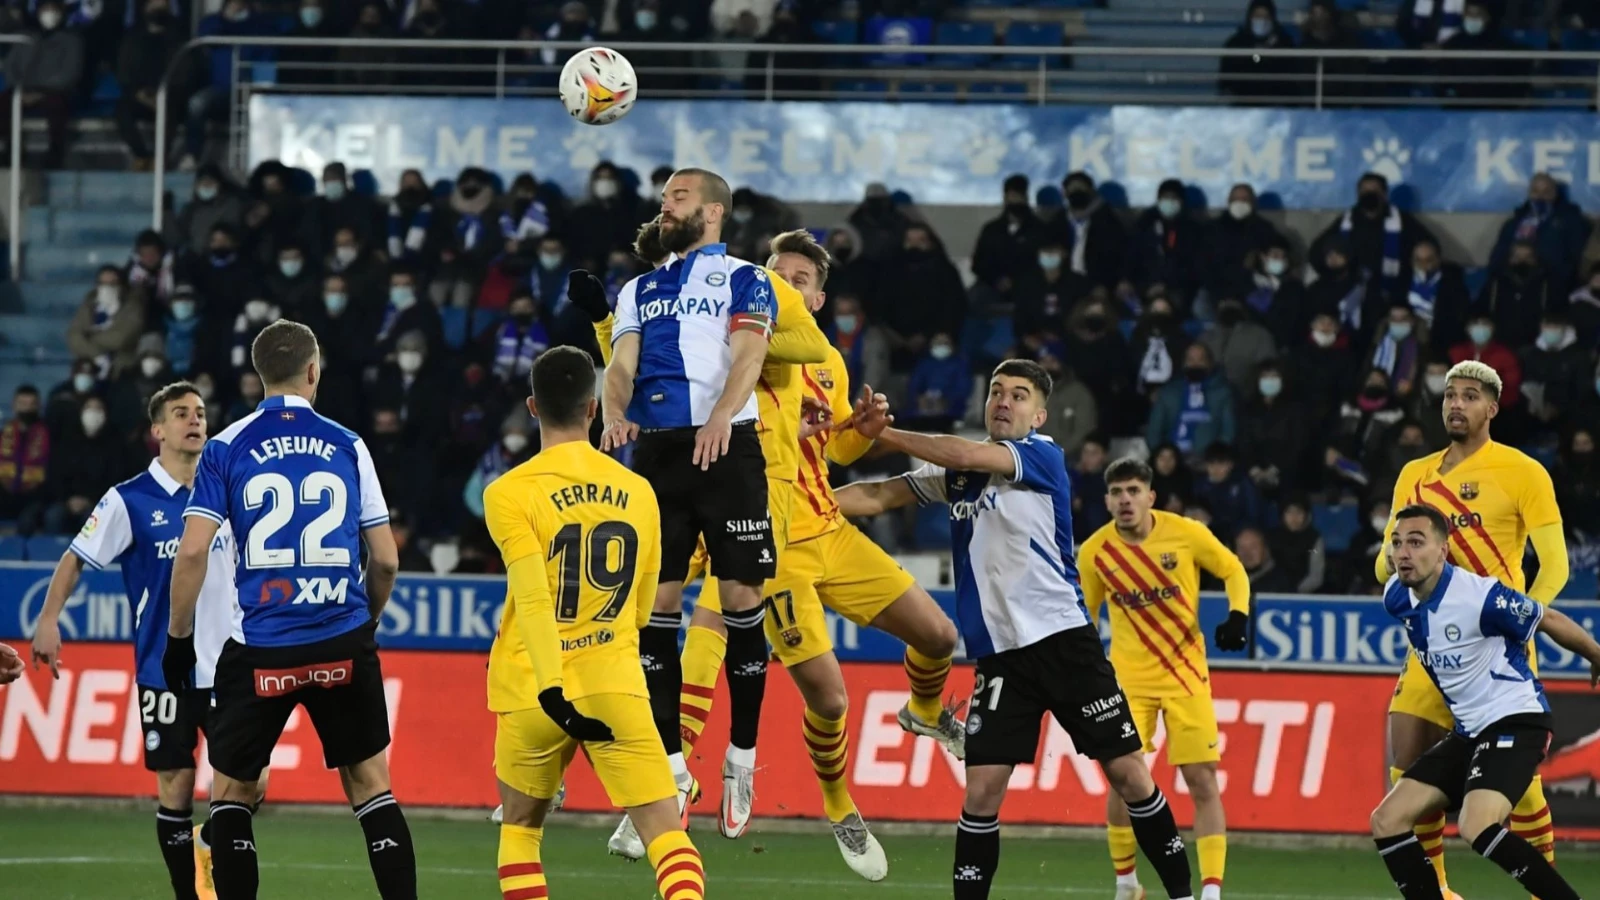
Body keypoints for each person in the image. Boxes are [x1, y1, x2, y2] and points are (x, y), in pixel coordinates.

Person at [833, 360, 1197, 900]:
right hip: (1002, 661)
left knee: (1130, 777)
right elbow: (879, 496)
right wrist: (802, 512)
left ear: (1039, 414)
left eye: (1019, 395)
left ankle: (1183, 897)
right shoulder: (958, 474)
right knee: (980, 793)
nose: (1004, 401)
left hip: (1064, 644)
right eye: (997, 392)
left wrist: (882, 433)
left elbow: (959, 452)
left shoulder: (1040, 455)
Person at [162, 321, 413, 900]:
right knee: (372, 788)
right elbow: (385, 562)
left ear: (259, 376)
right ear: (313, 371)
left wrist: (179, 641)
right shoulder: (349, 443)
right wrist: (363, 624)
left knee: (230, 795)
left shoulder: (225, 448)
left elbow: (194, 549)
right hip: (342, 639)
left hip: (263, 648)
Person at [599, 168, 793, 842]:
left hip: (727, 447)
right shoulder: (638, 289)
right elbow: (620, 366)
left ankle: (742, 754)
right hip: (657, 454)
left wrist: (720, 416)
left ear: (711, 210)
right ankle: (675, 766)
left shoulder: (745, 278)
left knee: (741, 598)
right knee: (657, 606)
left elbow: (748, 355)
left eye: (677, 197)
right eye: (664, 198)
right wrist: (613, 413)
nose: (665, 205)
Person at [482, 346, 706, 900]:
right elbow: (644, 604)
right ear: (592, 410)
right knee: (669, 840)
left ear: (533, 407)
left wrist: (553, 688)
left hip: (533, 690)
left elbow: (533, 597)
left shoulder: (507, 492)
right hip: (615, 680)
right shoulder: (639, 492)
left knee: (520, 833)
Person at [30, 382, 248, 900]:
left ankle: (208, 845)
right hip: (164, 667)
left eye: (200, 412)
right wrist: (48, 619)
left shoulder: (227, 490)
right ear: (157, 430)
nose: (195, 421)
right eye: (180, 414)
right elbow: (76, 556)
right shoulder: (130, 499)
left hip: (229, 664)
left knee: (250, 784)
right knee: (175, 787)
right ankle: (189, 893)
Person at [1376, 361, 1569, 898]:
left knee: (1522, 792)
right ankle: (1437, 890)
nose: (1456, 404)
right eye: (1449, 396)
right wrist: (1390, 564)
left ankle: (1542, 889)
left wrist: (1527, 620)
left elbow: (1554, 564)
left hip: (1499, 644)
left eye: (1469, 396)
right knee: (1406, 758)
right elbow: (1383, 560)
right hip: (1435, 645)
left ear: (1492, 408)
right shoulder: (1414, 474)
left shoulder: (1522, 471)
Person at [1371, 504, 1599, 900]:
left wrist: (1597, 655)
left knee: (1476, 825)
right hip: (1470, 731)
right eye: (1397, 543)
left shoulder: (1479, 597)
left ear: (1443, 551)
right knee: (1387, 819)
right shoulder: (1397, 596)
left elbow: (1548, 619)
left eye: (1416, 542)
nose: (1403, 552)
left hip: (1518, 720)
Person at [1080, 457, 1251, 900]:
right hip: (1128, 682)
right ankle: (1126, 885)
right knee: (1123, 780)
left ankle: (1211, 892)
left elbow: (1233, 569)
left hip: (1186, 676)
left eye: (1133, 491)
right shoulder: (1095, 552)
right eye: (1117, 493)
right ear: (1107, 501)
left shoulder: (1186, 533)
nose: (1125, 500)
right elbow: (1084, 618)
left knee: (1201, 779)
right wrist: (1085, 672)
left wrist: (1238, 614)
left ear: (1150, 496)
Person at [1310, 174, 1434, 305]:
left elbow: (1430, 248)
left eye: (1374, 190)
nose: (1369, 194)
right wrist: (1333, 273)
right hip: (1351, 291)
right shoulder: (1346, 221)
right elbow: (1316, 252)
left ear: (1384, 195)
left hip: (1392, 294)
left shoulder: (1403, 222)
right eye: (1364, 190)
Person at [1, 0, 83, 168]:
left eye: (54, 10)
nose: (49, 14)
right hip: (23, 91)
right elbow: (10, 67)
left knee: (57, 106)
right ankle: (11, 150)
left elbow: (69, 73)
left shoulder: (73, 40)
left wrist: (41, 91)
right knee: (3, 103)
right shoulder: (25, 38)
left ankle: (55, 153)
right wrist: (21, 89)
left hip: (54, 91)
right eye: (46, 9)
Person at [1489, 173, 1590, 298]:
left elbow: (1577, 259)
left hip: (1553, 286)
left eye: (1546, 192)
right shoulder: (1514, 223)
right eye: (1535, 191)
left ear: (1555, 194)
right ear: (1529, 193)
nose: (1540, 197)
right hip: (1514, 285)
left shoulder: (1571, 221)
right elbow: (1497, 256)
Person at [114, 0, 184, 171]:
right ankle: (141, 155)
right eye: (154, 6)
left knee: (170, 109)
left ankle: (160, 159)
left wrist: (160, 95)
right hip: (139, 94)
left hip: (170, 95)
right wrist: (139, 93)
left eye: (162, 7)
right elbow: (124, 72)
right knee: (122, 109)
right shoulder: (132, 38)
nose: (157, 10)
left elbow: (184, 73)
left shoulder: (178, 39)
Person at [970, 174, 1042, 304]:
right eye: (1012, 196)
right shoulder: (991, 229)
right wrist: (997, 280)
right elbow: (978, 263)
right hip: (991, 285)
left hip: (1027, 287)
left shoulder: (1039, 229)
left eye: (1020, 196)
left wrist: (1016, 281)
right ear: (1005, 198)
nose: (1016, 201)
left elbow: (1040, 264)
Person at [68, 266, 147, 377]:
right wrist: (97, 355)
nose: (107, 287)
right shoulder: (89, 304)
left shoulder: (133, 306)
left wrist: (89, 337)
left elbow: (120, 339)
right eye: (103, 283)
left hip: (121, 368)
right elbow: (74, 336)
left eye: (112, 283)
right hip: (89, 365)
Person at [1401, 238, 1471, 354]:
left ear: (1438, 260)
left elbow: (1457, 317)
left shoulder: (1452, 284)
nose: (1423, 265)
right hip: (1408, 336)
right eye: (1418, 260)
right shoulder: (1403, 280)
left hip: (1439, 339)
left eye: (1428, 260)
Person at [1219, 0, 1298, 102]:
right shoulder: (1236, 43)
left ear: (1273, 19)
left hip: (1276, 105)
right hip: (1241, 104)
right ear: (1249, 17)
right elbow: (1226, 79)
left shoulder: (1284, 42)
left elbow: (1291, 78)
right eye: (1257, 16)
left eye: (1266, 17)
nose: (1262, 20)